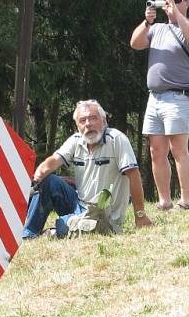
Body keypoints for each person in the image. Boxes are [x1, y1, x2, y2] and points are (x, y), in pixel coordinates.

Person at [22, 100, 152, 238]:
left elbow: (134, 175)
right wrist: (36, 180)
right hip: (78, 204)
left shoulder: (117, 139)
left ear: (104, 121)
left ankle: (55, 230)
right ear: (77, 125)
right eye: (82, 120)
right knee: (48, 181)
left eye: (93, 118)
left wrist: (140, 215)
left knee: (64, 228)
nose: (88, 124)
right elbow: (52, 162)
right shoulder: (76, 140)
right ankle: (29, 234)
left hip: (102, 213)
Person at [130, 0, 189, 211]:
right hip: (155, 98)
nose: (172, 3)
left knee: (178, 149)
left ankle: (186, 200)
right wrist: (147, 22)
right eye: (168, 0)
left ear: (186, 3)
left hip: (179, 97)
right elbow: (135, 43)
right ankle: (164, 201)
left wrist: (178, 15)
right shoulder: (157, 29)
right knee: (156, 150)